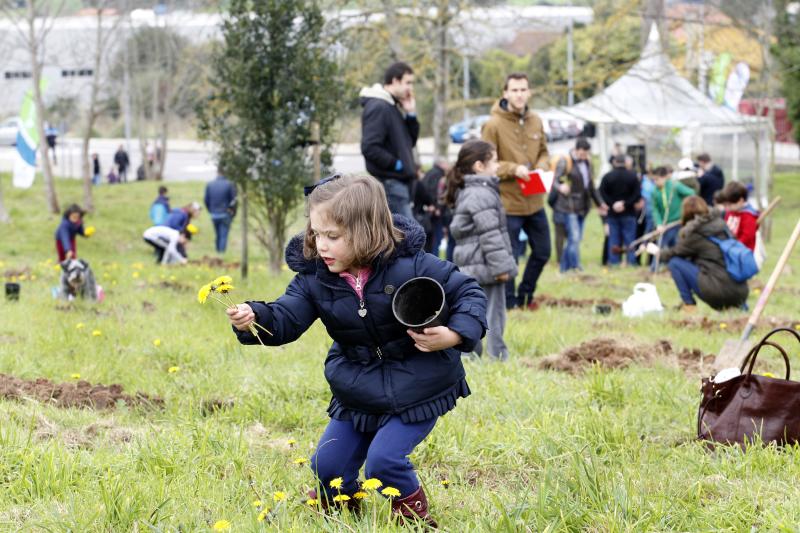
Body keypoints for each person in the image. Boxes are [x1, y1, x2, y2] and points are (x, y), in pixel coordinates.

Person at [226, 174, 487, 525]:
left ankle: (415, 523)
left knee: (384, 462)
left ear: (366, 230)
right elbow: (286, 317)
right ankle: (344, 517)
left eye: (333, 236)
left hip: (419, 385)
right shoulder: (314, 278)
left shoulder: (411, 263)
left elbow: (468, 292)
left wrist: (455, 334)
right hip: (358, 388)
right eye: (316, 233)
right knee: (326, 466)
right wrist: (255, 317)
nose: (321, 245)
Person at [481, 72, 551, 310]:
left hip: (535, 201)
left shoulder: (536, 120)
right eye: (515, 90)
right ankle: (509, 304)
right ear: (505, 93)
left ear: (529, 92)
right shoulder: (493, 124)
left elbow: (544, 151)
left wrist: (541, 166)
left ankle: (525, 295)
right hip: (509, 203)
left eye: (523, 90)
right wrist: (514, 169)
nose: (519, 94)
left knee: (543, 251)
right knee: (509, 258)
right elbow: (485, 164)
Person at [445, 140, 516, 361]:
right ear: (479, 166)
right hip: (486, 265)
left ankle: (470, 354)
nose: (497, 165)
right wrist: (500, 268)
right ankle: (498, 356)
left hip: (473, 264)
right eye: (493, 161)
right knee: (494, 314)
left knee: (473, 313)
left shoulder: (470, 191)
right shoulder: (481, 194)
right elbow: (490, 234)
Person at [647, 196, 748, 311]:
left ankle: (689, 305)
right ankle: (740, 306)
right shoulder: (721, 225)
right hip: (741, 292)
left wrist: (656, 251)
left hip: (718, 292)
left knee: (675, 263)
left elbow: (671, 254)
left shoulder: (695, 233)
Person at [359, 62, 419, 219]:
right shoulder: (379, 106)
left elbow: (408, 143)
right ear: (394, 81)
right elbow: (369, 147)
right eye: (408, 83)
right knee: (410, 240)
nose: (410, 88)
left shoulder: (391, 106)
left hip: (398, 185)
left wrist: (410, 114)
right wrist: (396, 164)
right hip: (391, 185)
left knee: (405, 239)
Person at [547, 138, 607, 272]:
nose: (583, 156)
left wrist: (600, 203)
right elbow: (554, 180)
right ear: (576, 150)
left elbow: (590, 186)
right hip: (569, 206)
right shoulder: (565, 162)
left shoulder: (588, 163)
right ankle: (575, 265)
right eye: (581, 154)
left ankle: (564, 267)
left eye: (586, 154)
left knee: (576, 238)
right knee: (573, 237)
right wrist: (561, 186)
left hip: (583, 207)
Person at [599, 154, 641, 266]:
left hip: (613, 214)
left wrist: (612, 204)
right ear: (625, 162)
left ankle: (614, 261)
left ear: (615, 162)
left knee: (614, 239)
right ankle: (631, 261)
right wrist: (626, 204)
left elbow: (602, 192)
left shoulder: (607, 176)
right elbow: (637, 194)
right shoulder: (632, 176)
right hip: (629, 213)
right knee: (630, 239)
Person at [650, 166, 695, 248]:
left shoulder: (675, 186)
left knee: (674, 245)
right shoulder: (655, 191)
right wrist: (659, 223)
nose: (655, 182)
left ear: (664, 178)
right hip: (664, 225)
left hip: (677, 222)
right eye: (654, 180)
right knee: (661, 245)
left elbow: (691, 193)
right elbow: (655, 209)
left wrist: (685, 210)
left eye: (657, 179)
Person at [414, 159, 450, 255]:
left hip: (426, 213)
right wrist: (436, 207)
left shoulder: (429, 173)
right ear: (441, 164)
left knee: (429, 242)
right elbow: (436, 193)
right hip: (434, 213)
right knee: (435, 241)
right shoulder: (438, 175)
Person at [719, 181, 759, 251]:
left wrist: (734, 247)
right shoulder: (730, 212)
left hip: (741, 254)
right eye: (726, 205)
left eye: (730, 205)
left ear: (740, 201)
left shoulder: (748, 216)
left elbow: (746, 237)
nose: (727, 208)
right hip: (729, 249)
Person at [204, 168, 237, 253]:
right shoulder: (229, 184)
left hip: (214, 213)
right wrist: (233, 212)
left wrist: (210, 210)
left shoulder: (210, 184)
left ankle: (217, 250)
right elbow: (234, 200)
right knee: (223, 234)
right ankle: (221, 253)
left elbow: (206, 200)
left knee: (217, 234)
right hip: (225, 213)